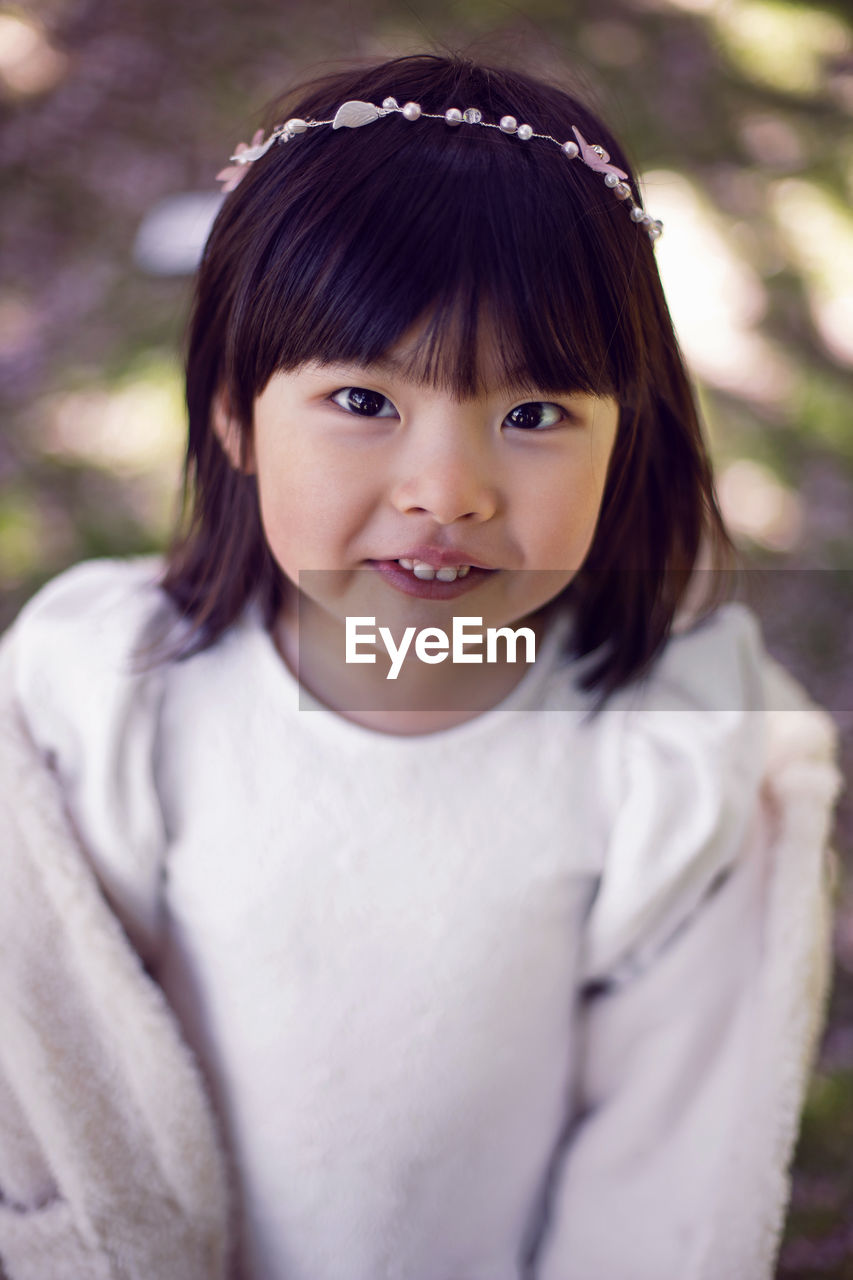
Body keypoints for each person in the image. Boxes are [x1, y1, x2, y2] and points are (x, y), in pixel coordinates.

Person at [0, 52, 843, 1280]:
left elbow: (665, 1172)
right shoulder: (112, 697)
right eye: (361, 398)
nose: (447, 490)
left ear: (628, 435)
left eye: (534, 415)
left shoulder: (667, 755)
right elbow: (52, 1048)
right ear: (235, 410)